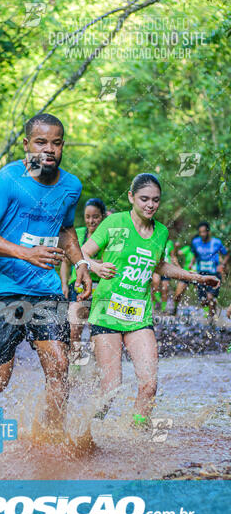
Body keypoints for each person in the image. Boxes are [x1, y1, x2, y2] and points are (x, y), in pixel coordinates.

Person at [0, 113, 92, 432]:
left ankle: (52, 438)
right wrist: (26, 253)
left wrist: (80, 264)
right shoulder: (6, 180)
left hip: (46, 290)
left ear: (63, 145)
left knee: (59, 365)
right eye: (41, 142)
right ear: (26, 145)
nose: (49, 149)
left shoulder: (71, 186)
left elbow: (65, 230)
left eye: (56, 142)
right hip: (0, 291)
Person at [81, 173, 219, 427]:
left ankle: (138, 435)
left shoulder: (161, 232)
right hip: (106, 313)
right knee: (111, 387)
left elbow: (160, 266)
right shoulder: (114, 223)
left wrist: (196, 277)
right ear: (132, 197)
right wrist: (95, 267)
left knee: (149, 385)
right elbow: (82, 253)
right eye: (144, 199)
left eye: (155, 200)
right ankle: (86, 430)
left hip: (138, 317)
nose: (150, 205)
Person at [60, 198, 106, 368]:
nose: (91, 221)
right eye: (87, 217)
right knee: (74, 328)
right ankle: (75, 366)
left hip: (100, 288)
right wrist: (64, 284)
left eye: (95, 217)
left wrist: (90, 263)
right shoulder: (76, 234)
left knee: (97, 332)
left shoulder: (107, 236)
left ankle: (96, 368)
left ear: (102, 217)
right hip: (77, 287)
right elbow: (66, 261)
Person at [190, 222, 229, 322]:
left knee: (210, 297)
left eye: (204, 232)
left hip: (214, 274)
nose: (202, 234)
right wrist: (191, 264)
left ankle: (211, 319)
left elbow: (227, 254)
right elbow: (195, 254)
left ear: (208, 232)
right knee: (203, 300)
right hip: (200, 274)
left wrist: (222, 265)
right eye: (200, 232)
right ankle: (209, 314)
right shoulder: (195, 242)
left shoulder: (217, 242)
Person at [151, 238, 179, 313]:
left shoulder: (170, 243)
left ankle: (163, 309)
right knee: (155, 284)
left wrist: (177, 267)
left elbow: (173, 256)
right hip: (156, 266)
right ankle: (156, 303)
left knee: (165, 288)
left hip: (166, 268)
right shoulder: (156, 240)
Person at [172, 240, 196, 315]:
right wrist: (175, 247)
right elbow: (176, 254)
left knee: (203, 298)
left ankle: (208, 318)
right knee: (177, 295)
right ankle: (174, 311)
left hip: (198, 275)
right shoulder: (188, 248)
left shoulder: (204, 250)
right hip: (186, 274)